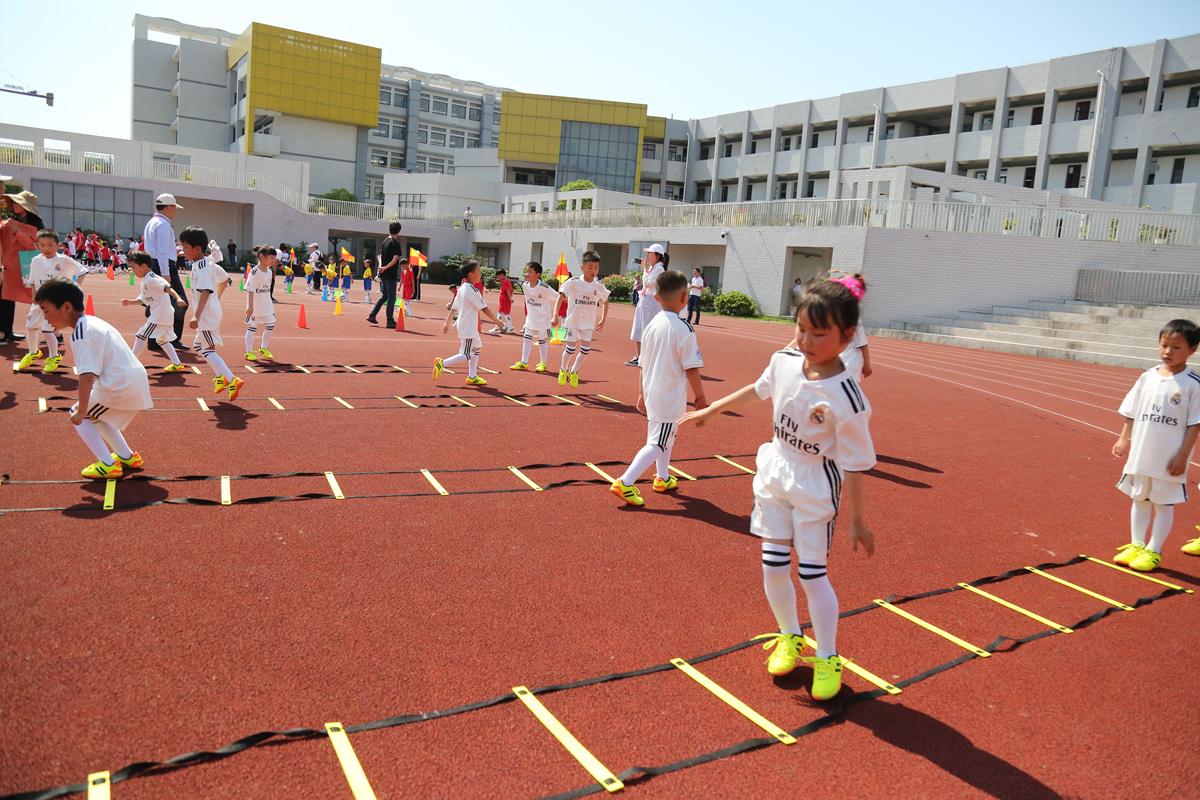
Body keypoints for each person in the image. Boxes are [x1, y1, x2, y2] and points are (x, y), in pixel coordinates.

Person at [678, 277, 877, 702]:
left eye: (818, 334)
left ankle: (828, 656)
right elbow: (759, 388)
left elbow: (857, 465)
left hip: (813, 483)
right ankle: (790, 636)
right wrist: (712, 409)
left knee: (811, 573)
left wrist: (857, 520)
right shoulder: (784, 359)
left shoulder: (848, 397)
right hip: (775, 470)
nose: (806, 340)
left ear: (846, 338)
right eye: (801, 328)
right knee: (772, 565)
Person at [35, 278, 151, 479]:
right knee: (95, 414)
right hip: (131, 380)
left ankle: (108, 464)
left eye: (46, 311)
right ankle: (127, 457)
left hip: (119, 385)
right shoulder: (93, 322)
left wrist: (80, 410)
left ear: (66, 307)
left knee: (81, 413)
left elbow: (87, 375)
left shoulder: (81, 332)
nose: (46, 318)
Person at [609, 270, 707, 507]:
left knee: (664, 437)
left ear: (656, 297)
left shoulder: (652, 326)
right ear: (685, 298)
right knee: (659, 442)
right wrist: (701, 397)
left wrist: (641, 393)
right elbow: (691, 367)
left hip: (653, 392)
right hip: (668, 396)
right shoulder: (683, 328)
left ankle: (662, 478)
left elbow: (641, 363)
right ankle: (626, 481)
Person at [1111, 319, 1200, 571]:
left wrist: (1183, 455)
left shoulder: (1193, 383)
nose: (1167, 352)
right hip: (1142, 453)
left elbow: (1195, 424)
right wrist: (1123, 438)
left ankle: (1154, 550)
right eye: (1164, 345)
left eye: (1176, 347)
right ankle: (1136, 544)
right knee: (1139, 498)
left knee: (1162, 503)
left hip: (1169, 456)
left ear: (1192, 350)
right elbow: (1132, 410)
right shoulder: (1147, 377)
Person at [182, 225, 243, 401]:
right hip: (209, 312)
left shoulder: (202, 266)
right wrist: (217, 300)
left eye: (186, 247)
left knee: (207, 350)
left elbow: (206, 290)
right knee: (201, 347)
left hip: (206, 316)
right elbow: (225, 280)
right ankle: (221, 377)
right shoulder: (207, 263)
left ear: (197, 248)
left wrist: (196, 315)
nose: (183, 250)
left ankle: (232, 379)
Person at [18, 228, 86, 372]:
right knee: (30, 326)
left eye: (50, 245)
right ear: (38, 245)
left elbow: (82, 271)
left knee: (47, 331)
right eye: (42, 245)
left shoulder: (64, 260)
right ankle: (33, 352)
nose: (46, 248)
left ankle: (54, 356)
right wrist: (34, 298)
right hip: (39, 301)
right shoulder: (35, 260)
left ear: (58, 245)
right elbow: (32, 281)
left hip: (55, 303)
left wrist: (74, 288)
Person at [434, 259, 503, 386]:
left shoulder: (462, 288)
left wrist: (446, 323)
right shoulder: (471, 290)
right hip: (468, 328)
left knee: (477, 348)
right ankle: (441, 363)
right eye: (479, 271)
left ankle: (472, 376)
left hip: (467, 327)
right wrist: (497, 322)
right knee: (466, 354)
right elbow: (484, 308)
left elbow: (454, 308)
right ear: (471, 274)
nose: (481, 274)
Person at [554, 252, 611, 388]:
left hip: (588, 323)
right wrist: (555, 314)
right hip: (573, 321)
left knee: (585, 350)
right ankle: (563, 369)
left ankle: (574, 371)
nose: (593, 270)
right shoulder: (573, 282)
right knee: (570, 349)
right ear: (582, 267)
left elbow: (606, 302)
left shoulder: (598, 286)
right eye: (590, 267)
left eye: (596, 268)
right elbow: (560, 297)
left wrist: (602, 320)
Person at [124, 251, 187, 372]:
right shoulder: (145, 280)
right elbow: (144, 299)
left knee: (141, 335)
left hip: (159, 316)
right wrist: (130, 302)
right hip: (164, 314)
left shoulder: (152, 279)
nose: (133, 270)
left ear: (144, 266)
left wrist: (178, 298)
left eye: (134, 267)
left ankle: (130, 363)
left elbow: (168, 288)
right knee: (161, 340)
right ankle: (177, 364)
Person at [142, 193, 189, 349]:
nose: (175, 210)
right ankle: (170, 339)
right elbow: (162, 251)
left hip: (154, 264)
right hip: (164, 266)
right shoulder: (163, 224)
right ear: (168, 207)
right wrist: (166, 274)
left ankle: (155, 340)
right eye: (174, 207)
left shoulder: (152, 222)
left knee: (159, 304)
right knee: (180, 302)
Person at [1, 191, 43, 343]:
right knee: (6, 298)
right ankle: (6, 331)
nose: (13, 205)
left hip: (28, 264)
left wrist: (17, 232)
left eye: (17, 202)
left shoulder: (37, 225)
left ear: (26, 207)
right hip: (10, 265)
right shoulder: (10, 221)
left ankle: (51, 332)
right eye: (13, 202)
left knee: (39, 297)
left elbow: (34, 246)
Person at [510, 261, 559, 373]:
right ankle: (524, 362)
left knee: (542, 341)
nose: (527, 274)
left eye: (530, 272)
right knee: (526, 338)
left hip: (544, 320)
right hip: (531, 319)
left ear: (538, 274)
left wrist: (556, 315)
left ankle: (543, 364)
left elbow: (558, 298)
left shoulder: (544, 287)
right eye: (526, 271)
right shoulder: (525, 285)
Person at [628, 244, 667, 366]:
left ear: (657, 255)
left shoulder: (659, 269)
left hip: (651, 302)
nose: (647, 255)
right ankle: (639, 356)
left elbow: (648, 284)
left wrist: (645, 270)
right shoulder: (653, 268)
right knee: (639, 328)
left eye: (650, 253)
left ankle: (645, 358)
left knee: (647, 330)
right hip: (645, 299)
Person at [244, 246, 278, 362]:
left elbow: (267, 289)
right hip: (255, 305)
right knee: (252, 327)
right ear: (262, 257)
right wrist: (250, 306)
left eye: (275, 258)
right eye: (271, 258)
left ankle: (263, 348)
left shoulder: (269, 271)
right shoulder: (255, 271)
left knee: (272, 324)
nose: (273, 261)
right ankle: (248, 352)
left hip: (266, 304)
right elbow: (250, 289)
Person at [369, 222, 403, 327]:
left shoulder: (384, 242)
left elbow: (381, 257)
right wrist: (385, 267)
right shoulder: (395, 243)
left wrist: (382, 267)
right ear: (399, 231)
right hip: (391, 274)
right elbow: (394, 260)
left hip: (383, 273)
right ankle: (389, 320)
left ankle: (372, 314)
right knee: (391, 298)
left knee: (384, 295)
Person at [490, 268, 514, 334]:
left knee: (503, 313)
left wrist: (509, 298)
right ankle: (503, 327)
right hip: (504, 300)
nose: (497, 277)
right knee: (502, 313)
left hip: (505, 300)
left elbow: (508, 290)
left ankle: (506, 327)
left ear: (502, 275)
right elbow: (511, 290)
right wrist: (510, 298)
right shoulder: (506, 281)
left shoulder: (505, 281)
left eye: (498, 276)